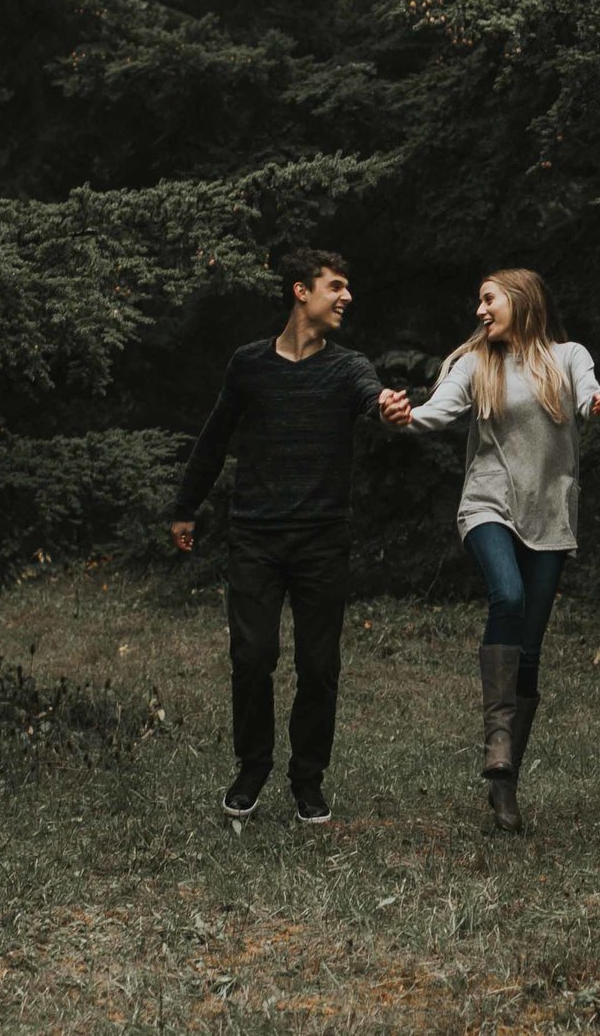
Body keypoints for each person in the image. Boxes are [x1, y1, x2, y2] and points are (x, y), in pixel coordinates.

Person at [170, 248, 410, 825]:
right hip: (254, 536)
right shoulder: (248, 365)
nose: (346, 297)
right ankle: (252, 769)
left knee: (318, 665)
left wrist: (386, 407)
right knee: (252, 658)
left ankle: (308, 781)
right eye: (336, 286)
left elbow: (370, 396)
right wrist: (185, 507)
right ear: (301, 291)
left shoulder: (348, 367)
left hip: (323, 540)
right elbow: (213, 437)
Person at [384, 268, 600, 832]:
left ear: (521, 298)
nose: (481, 311)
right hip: (488, 504)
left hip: (550, 514)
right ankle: (497, 743)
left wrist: (598, 402)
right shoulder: (475, 364)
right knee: (505, 595)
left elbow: (587, 394)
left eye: (489, 300)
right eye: (479, 303)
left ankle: (505, 785)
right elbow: (434, 414)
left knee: (529, 654)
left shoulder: (567, 357)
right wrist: (403, 415)